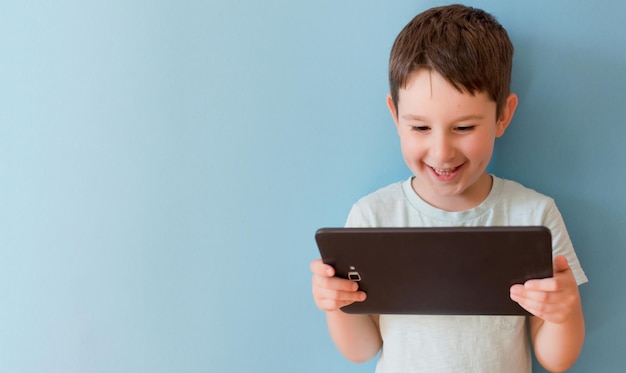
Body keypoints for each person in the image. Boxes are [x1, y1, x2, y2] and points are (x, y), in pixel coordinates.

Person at [310, 4, 588, 373]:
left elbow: (556, 358)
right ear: (395, 116)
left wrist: (564, 311)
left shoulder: (533, 215)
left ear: (502, 116)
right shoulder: (373, 217)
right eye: (420, 128)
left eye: (464, 128)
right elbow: (362, 349)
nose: (441, 153)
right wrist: (337, 304)